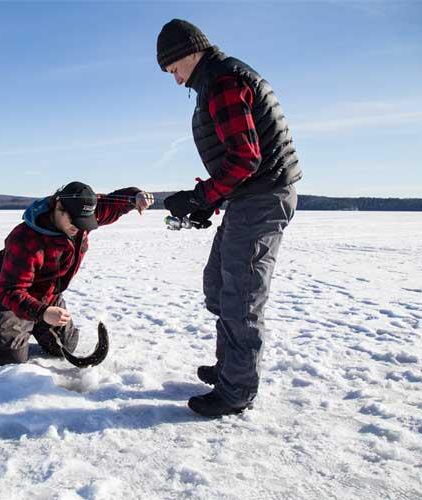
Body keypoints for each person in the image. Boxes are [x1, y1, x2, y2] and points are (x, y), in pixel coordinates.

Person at [157, 19, 302, 417]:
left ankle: (236, 390)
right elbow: (243, 163)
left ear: (188, 53)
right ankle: (228, 369)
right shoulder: (217, 79)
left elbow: (246, 158)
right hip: (250, 196)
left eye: (173, 70)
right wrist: (210, 201)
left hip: (262, 199)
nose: (175, 80)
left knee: (241, 296)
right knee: (219, 285)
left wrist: (201, 195)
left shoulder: (222, 81)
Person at [0, 181, 154, 366]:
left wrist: (135, 197)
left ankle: (35, 323)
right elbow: (10, 289)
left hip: (48, 293)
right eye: (75, 221)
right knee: (10, 359)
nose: (79, 227)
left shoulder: (81, 213)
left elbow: (111, 204)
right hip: (8, 295)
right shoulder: (25, 239)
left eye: (84, 222)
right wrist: (42, 312)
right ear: (59, 207)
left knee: (67, 345)